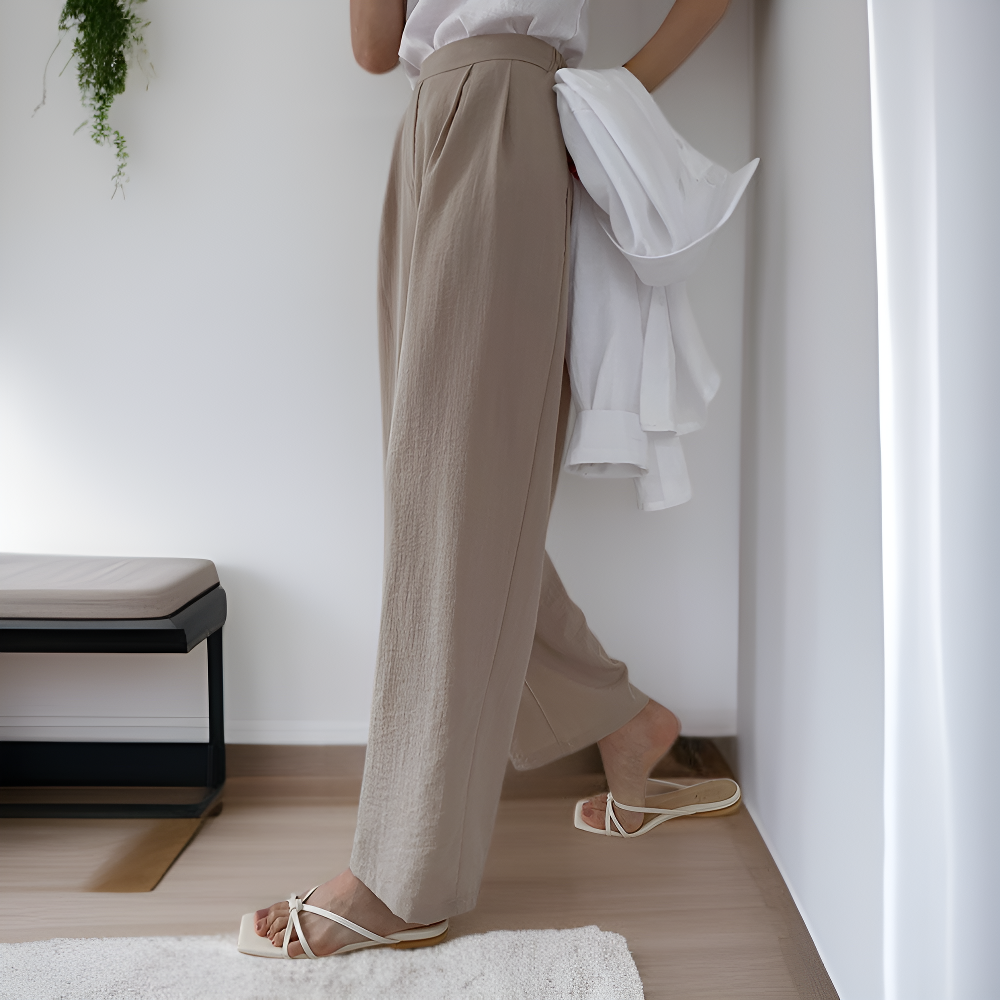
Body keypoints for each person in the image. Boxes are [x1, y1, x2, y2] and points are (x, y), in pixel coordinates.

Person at [251, 0, 732, 959]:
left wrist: (600, 103)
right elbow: (374, 48)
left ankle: (403, 875)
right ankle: (622, 719)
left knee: (453, 495)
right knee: (442, 493)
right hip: (432, 118)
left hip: (509, 110)